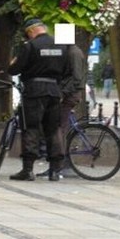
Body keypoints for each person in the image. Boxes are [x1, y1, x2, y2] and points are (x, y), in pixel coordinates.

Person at [7, 19, 69, 181]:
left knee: (31, 127)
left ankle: (28, 170)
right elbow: (67, 70)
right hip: (54, 91)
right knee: (53, 129)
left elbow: (14, 69)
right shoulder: (61, 45)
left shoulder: (31, 46)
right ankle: (55, 170)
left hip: (34, 91)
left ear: (31, 31)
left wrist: (12, 63)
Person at [37, 43, 85, 179]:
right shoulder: (68, 51)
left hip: (69, 96)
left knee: (58, 129)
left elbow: (76, 78)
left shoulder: (73, 53)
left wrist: (62, 93)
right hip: (68, 93)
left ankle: (58, 165)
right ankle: (57, 164)